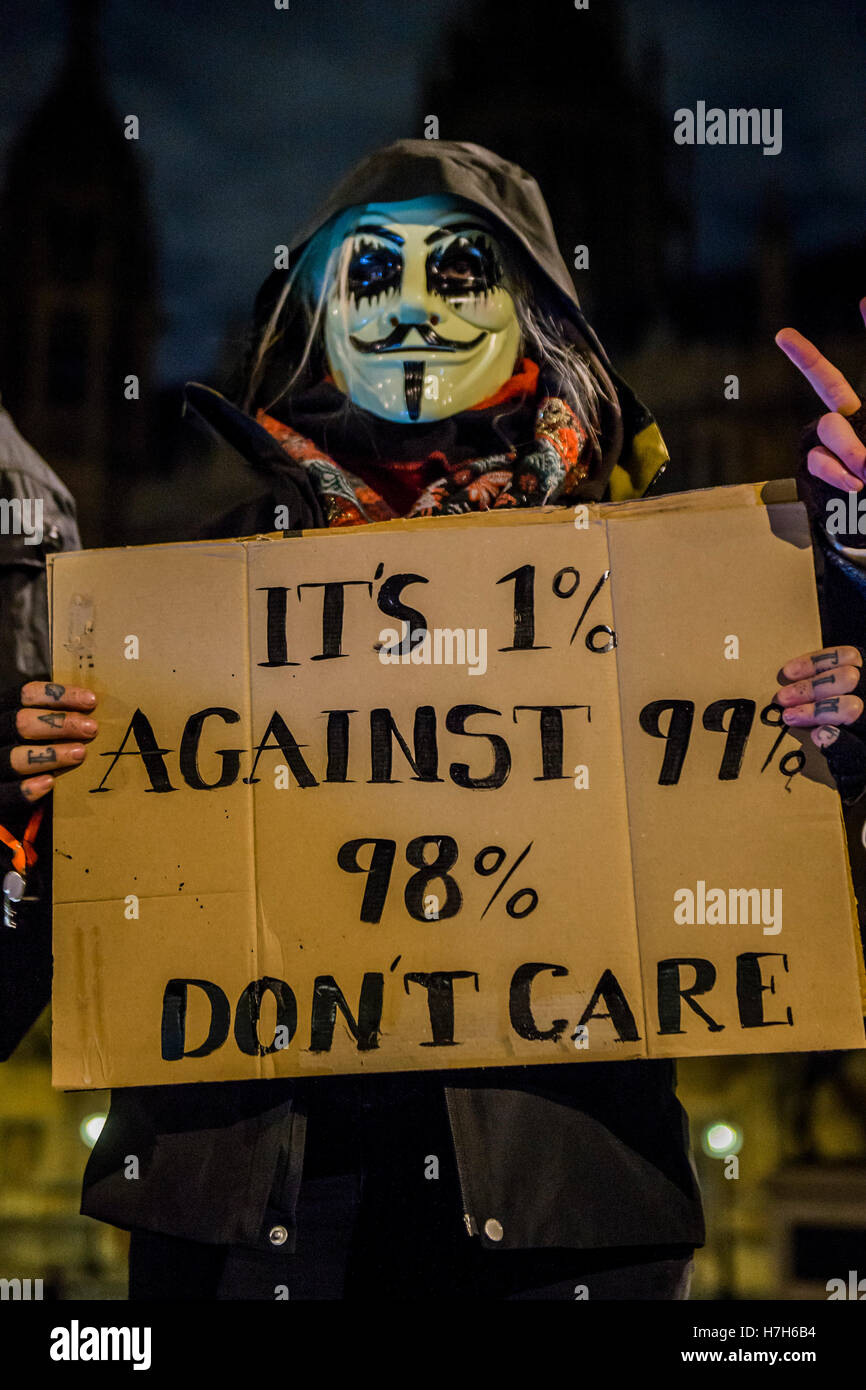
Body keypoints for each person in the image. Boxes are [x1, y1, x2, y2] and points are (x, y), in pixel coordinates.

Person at [1, 142, 864, 1301]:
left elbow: (795, 882)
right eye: (369, 275)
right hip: (237, 1241)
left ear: (537, 311)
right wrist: (24, 818)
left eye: (459, 272)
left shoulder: (690, 578)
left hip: (567, 1221)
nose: (409, 310)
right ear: (313, 312)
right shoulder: (165, 598)